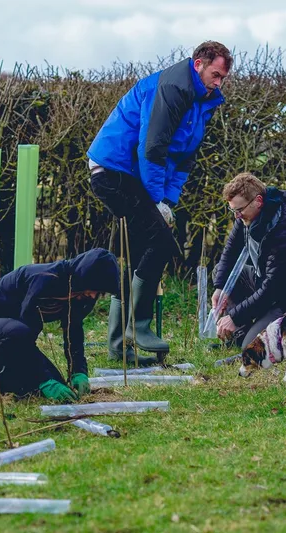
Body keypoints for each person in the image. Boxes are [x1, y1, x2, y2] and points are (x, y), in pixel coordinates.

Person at [88, 40, 232, 366]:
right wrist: (156, 200)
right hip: (113, 172)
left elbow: (182, 160)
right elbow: (152, 147)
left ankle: (118, 348)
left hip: (133, 176)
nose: (219, 82)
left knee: (136, 252)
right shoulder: (173, 87)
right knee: (162, 244)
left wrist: (168, 199)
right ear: (198, 64)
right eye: (215, 74)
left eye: (223, 77)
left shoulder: (201, 101)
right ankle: (138, 327)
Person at [0, 248, 120, 402]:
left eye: (99, 292)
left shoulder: (83, 296)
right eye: (93, 289)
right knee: (31, 358)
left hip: (13, 336)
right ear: (83, 276)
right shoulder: (44, 279)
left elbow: (73, 331)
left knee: (57, 386)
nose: (93, 296)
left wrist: (78, 371)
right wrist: (43, 378)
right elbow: (23, 335)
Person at [211, 172, 286, 349]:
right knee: (220, 271)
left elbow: (271, 290)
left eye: (239, 210)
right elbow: (230, 253)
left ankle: (244, 333)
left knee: (251, 346)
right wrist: (221, 289)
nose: (237, 216)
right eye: (233, 210)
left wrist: (234, 316)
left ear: (258, 201)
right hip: (267, 286)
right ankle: (240, 332)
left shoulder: (285, 233)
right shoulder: (246, 218)